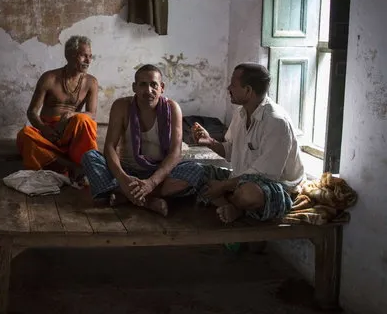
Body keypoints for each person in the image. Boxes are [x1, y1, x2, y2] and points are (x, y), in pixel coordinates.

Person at [81, 64, 205, 216]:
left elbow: (175, 153)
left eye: (154, 85)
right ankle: (148, 201)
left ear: (162, 87)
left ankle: (126, 195)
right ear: (134, 87)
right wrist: (123, 178)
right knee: (90, 157)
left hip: (159, 173)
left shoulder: (172, 109)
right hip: (127, 172)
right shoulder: (121, 106)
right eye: (143, 85)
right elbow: (110, 148)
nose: (148, 91)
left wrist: (151, 182)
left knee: (196, 169)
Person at [192, 63, 305, 223]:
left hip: (275, 187)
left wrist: (223, 186)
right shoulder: (241, 113)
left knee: (248, 194)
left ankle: (235, 208)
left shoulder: (276, 122)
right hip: (240, 179)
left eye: (233, 84)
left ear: (248, 90)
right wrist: (209, 141)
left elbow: (264, 176)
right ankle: (234, 206)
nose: (228, 87)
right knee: (191, 171)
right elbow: (231, 152)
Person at [17, 35, 99, 182]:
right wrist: (44, 129)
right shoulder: (49, 78)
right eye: (83, 56)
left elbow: (92, 114)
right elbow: (32, 112)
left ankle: (85, 168)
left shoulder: (91, 82)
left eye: (90, 56)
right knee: (25, 134)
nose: (88, 61)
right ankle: (70, 166)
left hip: (71, 135)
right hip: (49, 133)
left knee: (83, 119)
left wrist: (71, 115)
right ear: (69, 55)